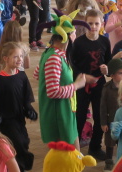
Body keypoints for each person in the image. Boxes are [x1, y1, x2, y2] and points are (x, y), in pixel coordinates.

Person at [0, 42, 37, 172]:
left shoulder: (21, 75)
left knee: (24, 141)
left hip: (18, 117)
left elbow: (26, 97)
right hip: (6, 120)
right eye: (15, 57)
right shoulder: (0, 80)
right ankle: (14, 170)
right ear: (6, 59)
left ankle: (19, 169)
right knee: (15, 143)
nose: (19, 59)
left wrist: (29, 109)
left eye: (21, 56)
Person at [38, 12, 89, 146]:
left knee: (74, 152)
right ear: (68, 36)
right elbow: (52, 92)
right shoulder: (54, 58)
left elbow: (37, 74)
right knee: (68, 155)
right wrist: (76, 85)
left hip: (65, 109)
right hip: (58, 115)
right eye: (74, 33)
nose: (75, 36)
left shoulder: (52, 52)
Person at [69, 9, 112, 162]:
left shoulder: (105, 41)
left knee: (100, 116)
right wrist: (82, 76)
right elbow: (72, 64)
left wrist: (107, 69)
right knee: (79, 116)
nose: (93, 26)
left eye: (96, 23)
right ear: (85, 24)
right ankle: (74, 147)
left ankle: (95, 147)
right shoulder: (78, 42)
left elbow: (108, 61)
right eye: (90, 23)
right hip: (82, 85)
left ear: (102, 24)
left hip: (99, 84)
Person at [100, 58, 122, 172]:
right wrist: (103, 123)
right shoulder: (107, 88)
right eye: (120, 73)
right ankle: (109, 161)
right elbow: (103, 107)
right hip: (111, 120)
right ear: (112, 75)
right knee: (110, 142)